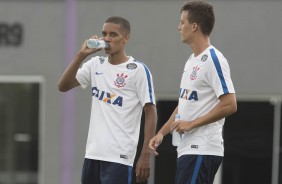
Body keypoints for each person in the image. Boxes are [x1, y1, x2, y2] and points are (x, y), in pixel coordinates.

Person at [58, 16, 157, 184]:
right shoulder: (95, 64)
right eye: (104, 34)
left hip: (120, 156)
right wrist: (81, 55)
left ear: (126, 38)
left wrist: (145, 154)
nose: (107, 39)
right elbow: (63, 86)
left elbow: (150, 111)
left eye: (113, 34)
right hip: (93, 154)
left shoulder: (138, 70)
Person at [149, 1, 237, 184]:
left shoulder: (214, 59)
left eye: (182, 22)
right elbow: (184, 103)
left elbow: (230, 104)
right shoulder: (191, 60)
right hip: (187, 149)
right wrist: (162, 133)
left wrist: (192, 124)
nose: (178, 26)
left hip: (202, 148)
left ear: (194, 26)